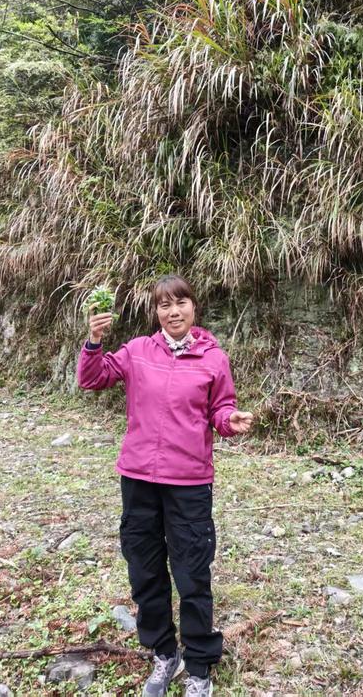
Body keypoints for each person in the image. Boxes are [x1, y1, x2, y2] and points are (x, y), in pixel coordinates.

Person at [77, 274, 253, 697]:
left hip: (189, 480)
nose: (173, 312)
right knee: (144, 569)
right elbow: (93, 378)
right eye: (164, 306)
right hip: (138, 477)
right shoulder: (138, 350)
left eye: (181, 303)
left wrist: (230, 421)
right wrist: (94, 342)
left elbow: (220, 408)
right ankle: (162, 652)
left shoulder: (213, 358)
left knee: (192, 572)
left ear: (194, 307)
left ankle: (199, 668)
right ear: (156, 312)